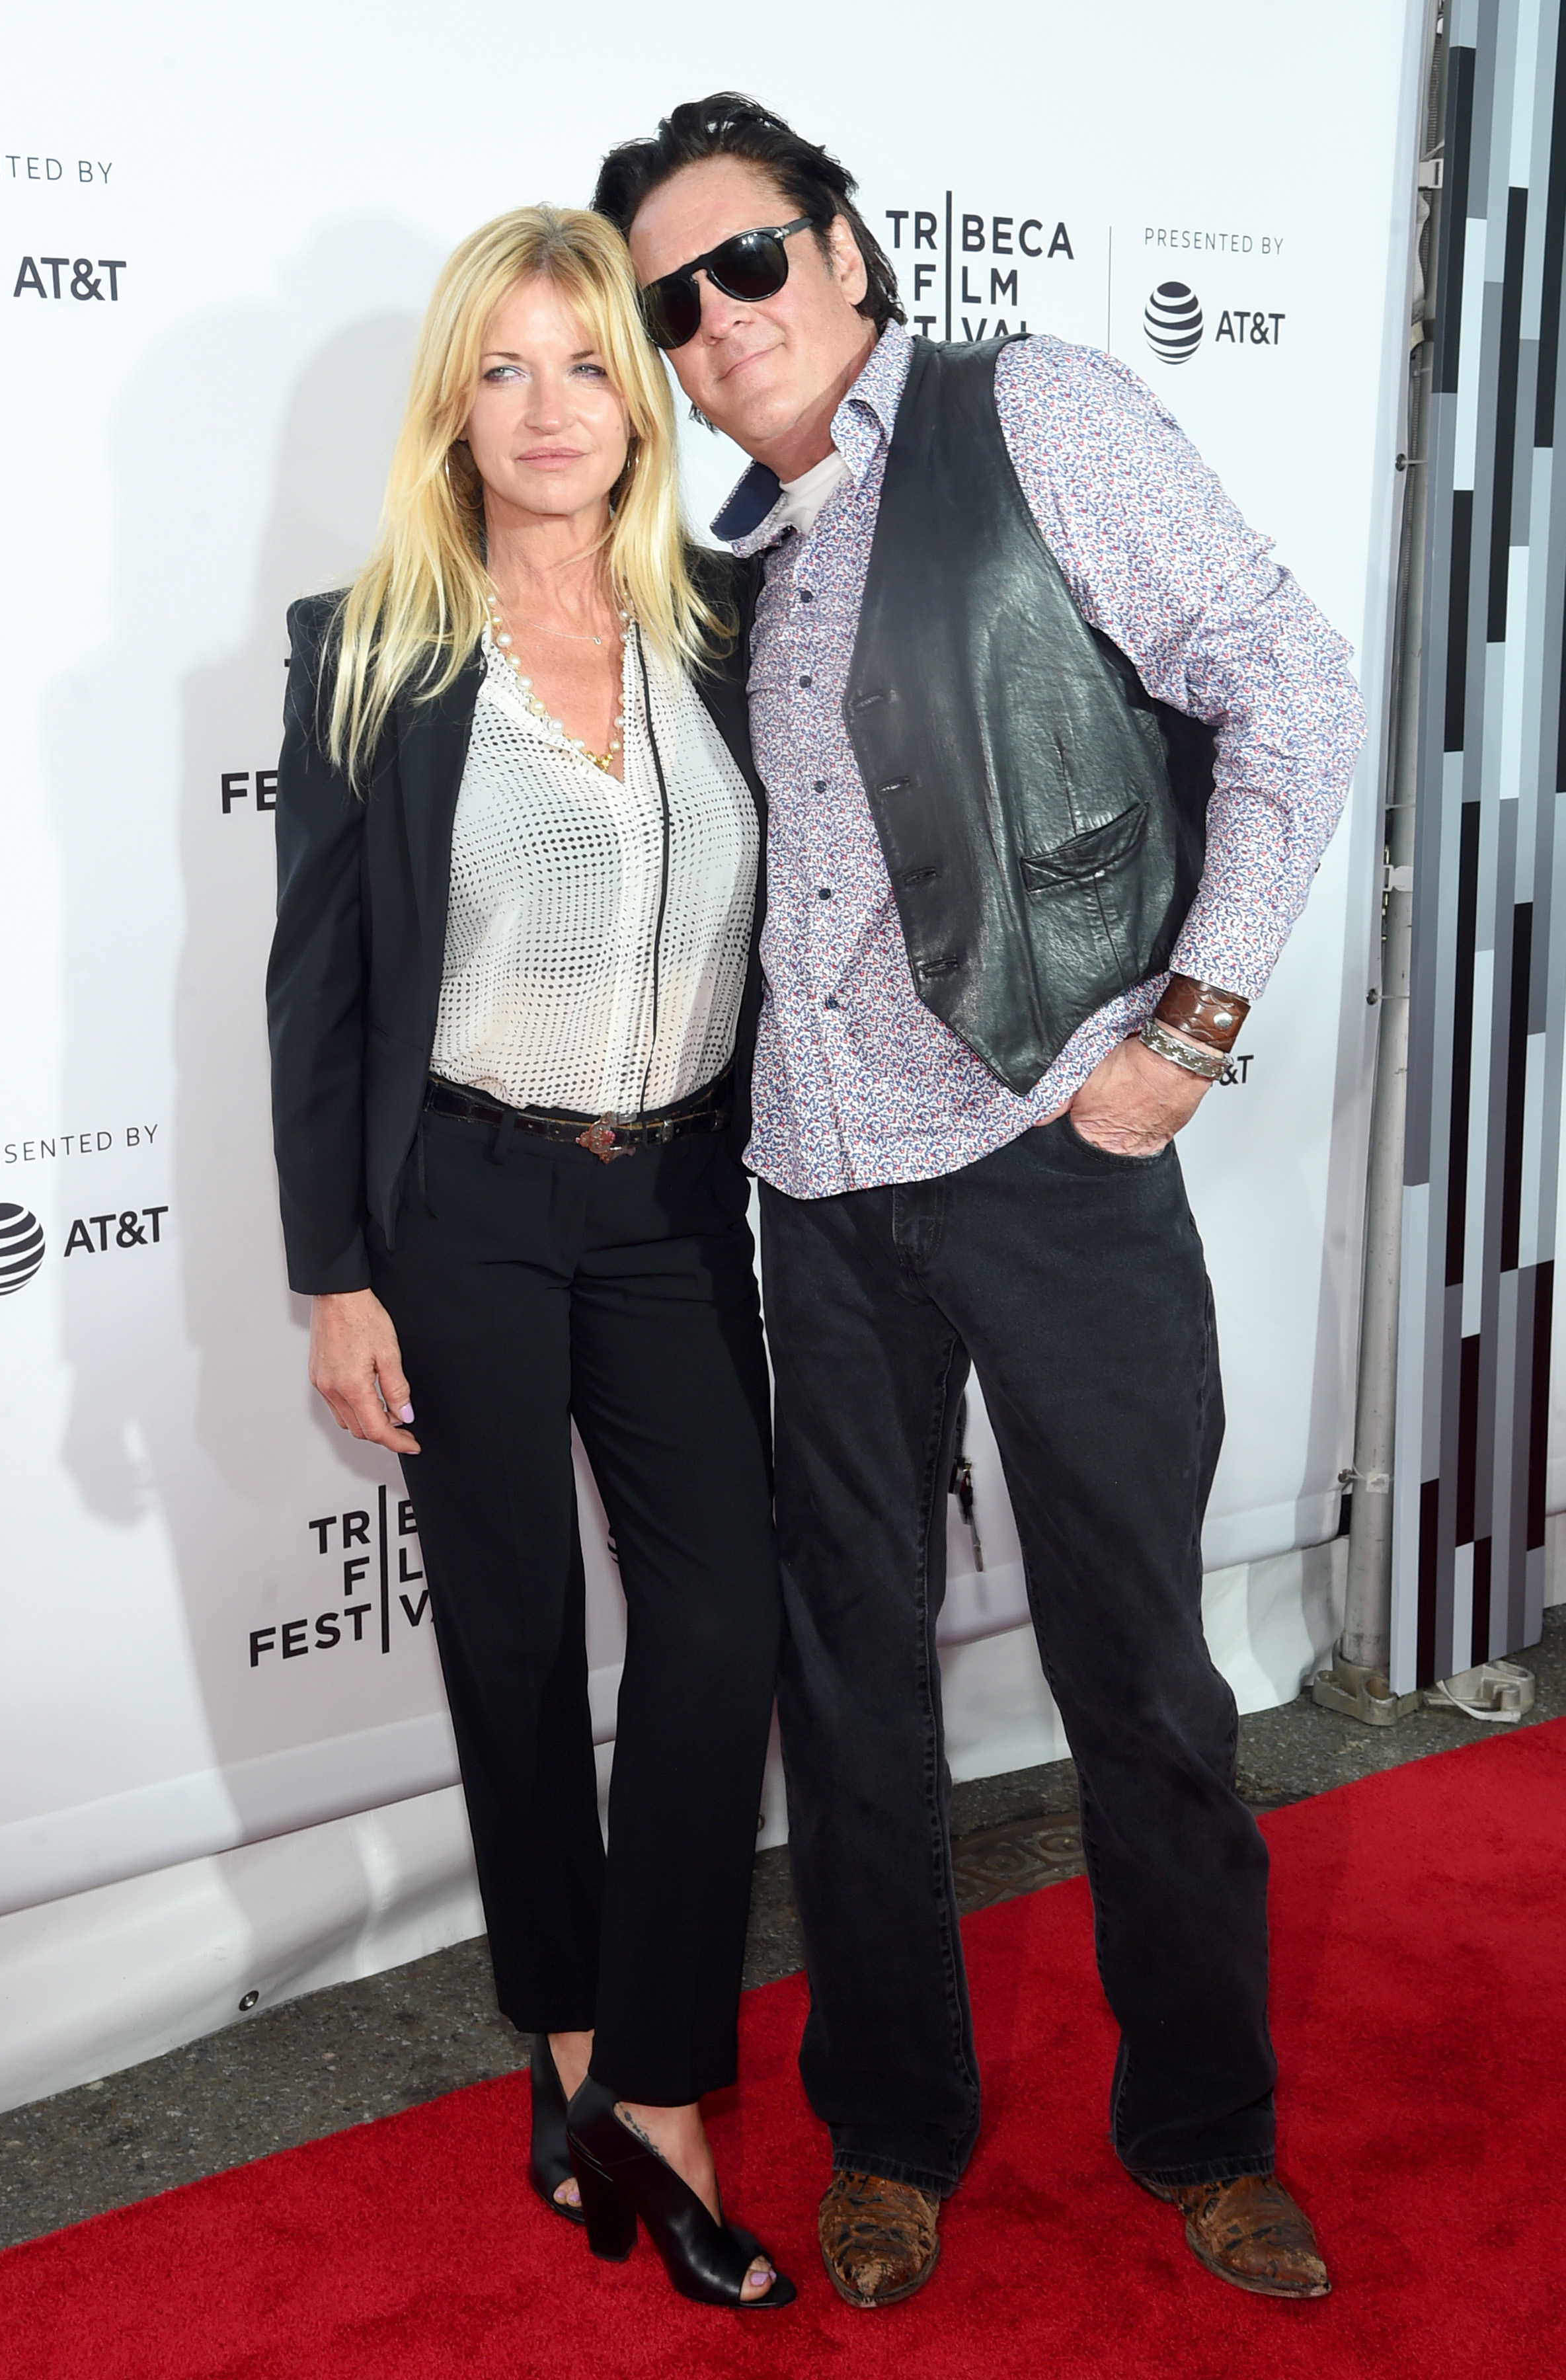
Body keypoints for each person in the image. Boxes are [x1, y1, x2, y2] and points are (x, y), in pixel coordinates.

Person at [594, 97, 1365, 2310]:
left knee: (1136, 1676)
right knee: (849, 1693)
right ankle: (891, 2133)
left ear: (846, 249)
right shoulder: (735, 544)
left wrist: (1187, 1035)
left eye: (744, 261)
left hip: (1048, 1156)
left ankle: (1205, 2133)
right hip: (812, 1194)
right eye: (669, 302)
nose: (711, 319)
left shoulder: (1031, 408)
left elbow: (1281, 679)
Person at [265, 203, 795, 2312]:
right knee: (504, 1646)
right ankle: (581, 2051)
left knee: (717, 1628)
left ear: (645, 395)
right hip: (464, 1210)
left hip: (675, 1205)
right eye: (506, 367)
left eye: (588, 364)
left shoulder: (732, 626)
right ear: (453, 404)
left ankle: (653, 2075)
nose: (550, 409)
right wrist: (336, 1274)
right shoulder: (370, 644)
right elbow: (317, 994)